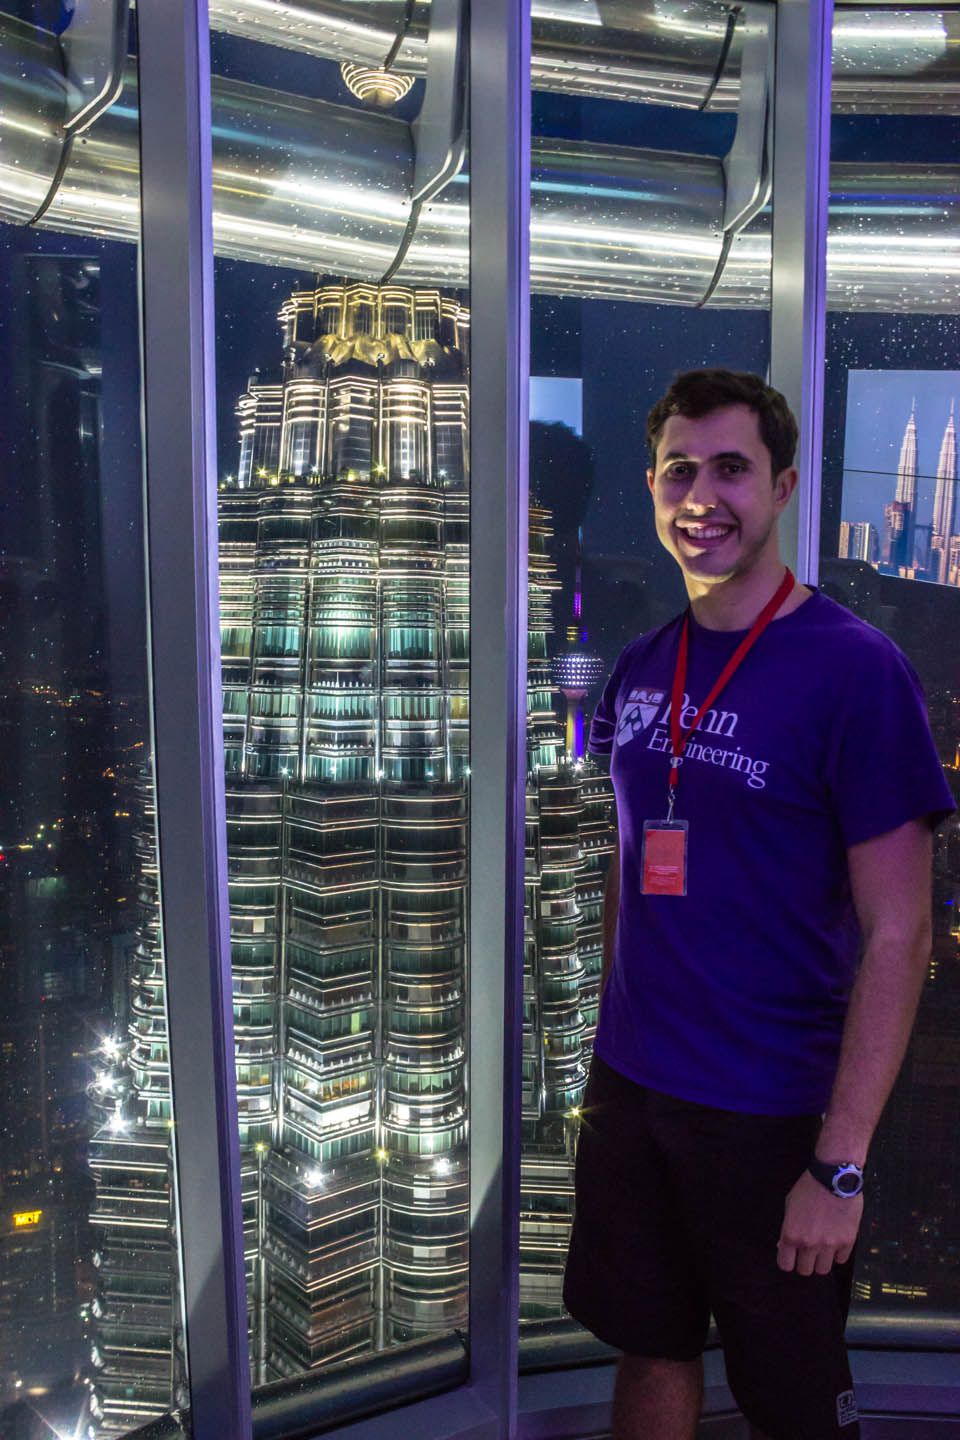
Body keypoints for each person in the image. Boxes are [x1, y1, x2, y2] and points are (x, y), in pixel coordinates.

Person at [562, 369, 954, 1440]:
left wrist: (840, 1164)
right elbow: (633, 863)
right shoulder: (643, 666)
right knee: (650, 1345)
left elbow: (900, 932)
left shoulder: (857, 672)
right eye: (678, 471)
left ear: (782, 486)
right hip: (636, 1091)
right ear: (652, 486)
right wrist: (605, 1056)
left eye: (731, 469)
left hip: (773, 1114)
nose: (702, 497)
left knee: (793, 1402)